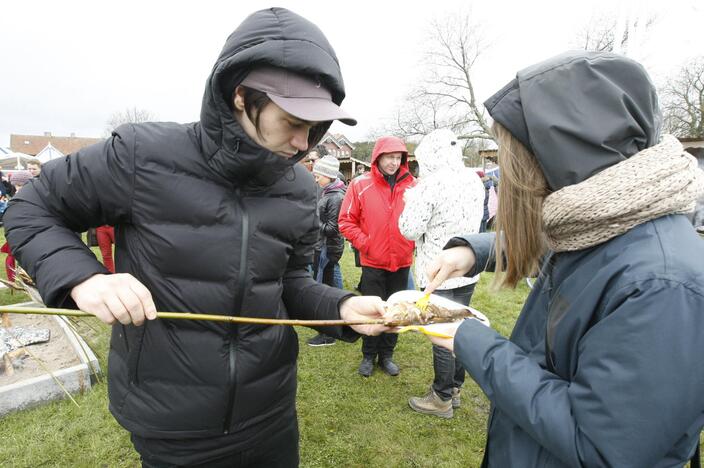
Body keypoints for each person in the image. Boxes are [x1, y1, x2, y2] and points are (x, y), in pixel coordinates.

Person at [4, 8, 389, 467]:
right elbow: (31, 208)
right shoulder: (140, 155)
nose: (304, 143)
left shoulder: (300, 189)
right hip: (173, 425)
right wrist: (83, 279)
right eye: (293, 121)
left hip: (271, 414)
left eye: (315, 126)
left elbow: (291, 283)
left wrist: (341, 307)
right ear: (243, 97)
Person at [419, 51, 704, 467]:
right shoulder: (609, 221)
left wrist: (468, 337)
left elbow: (599, 448)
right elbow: (560, 250)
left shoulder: (663, 286)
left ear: (559, 158)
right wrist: (473, 250)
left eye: (510, 155)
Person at [398, 128, 484, 418]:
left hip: (438, 271)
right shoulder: (474, 179)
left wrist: (410, 201)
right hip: (469, 266)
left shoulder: (430, 184)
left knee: (440, 333)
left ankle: (441, 397)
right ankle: (455, 388)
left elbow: (409, 229)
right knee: (459, 326)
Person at [339, 136, 415, 377]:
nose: (393, 163)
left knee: (395, 310)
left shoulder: (413, 186)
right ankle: (368, 355)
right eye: (389, 157)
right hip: (373, 262)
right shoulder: (360, 185)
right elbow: (346, 221)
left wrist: (410, 243)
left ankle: (387, 355)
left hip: (401, 261)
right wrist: (366, 244)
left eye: (397, 158)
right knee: (373, 309)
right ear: (378, 157)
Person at [307, 155, 346, 347]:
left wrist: (313, 221)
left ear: (329, 176)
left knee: (325, 289)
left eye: (318, 176)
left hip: (327, 249)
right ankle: (340, 320)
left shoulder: (336, 197)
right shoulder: (327, 193)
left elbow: (333, 229)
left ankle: (328, 334)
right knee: (333, 289)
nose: (316, 179)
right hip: (323, 248)